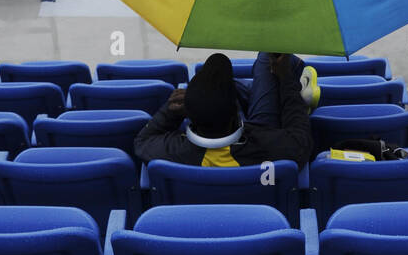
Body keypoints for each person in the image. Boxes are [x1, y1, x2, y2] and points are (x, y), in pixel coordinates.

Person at [133, 53, 319, 172]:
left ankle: (245, 89)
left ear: (189, 117)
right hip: (259, 136)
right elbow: (300, 134)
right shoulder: (276, 146)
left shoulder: (172, 152)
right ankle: (289, 84)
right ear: (237, 114)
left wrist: (171, 111)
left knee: (222, 87)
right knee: (268, 56)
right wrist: (287, 81)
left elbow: (142, 141)